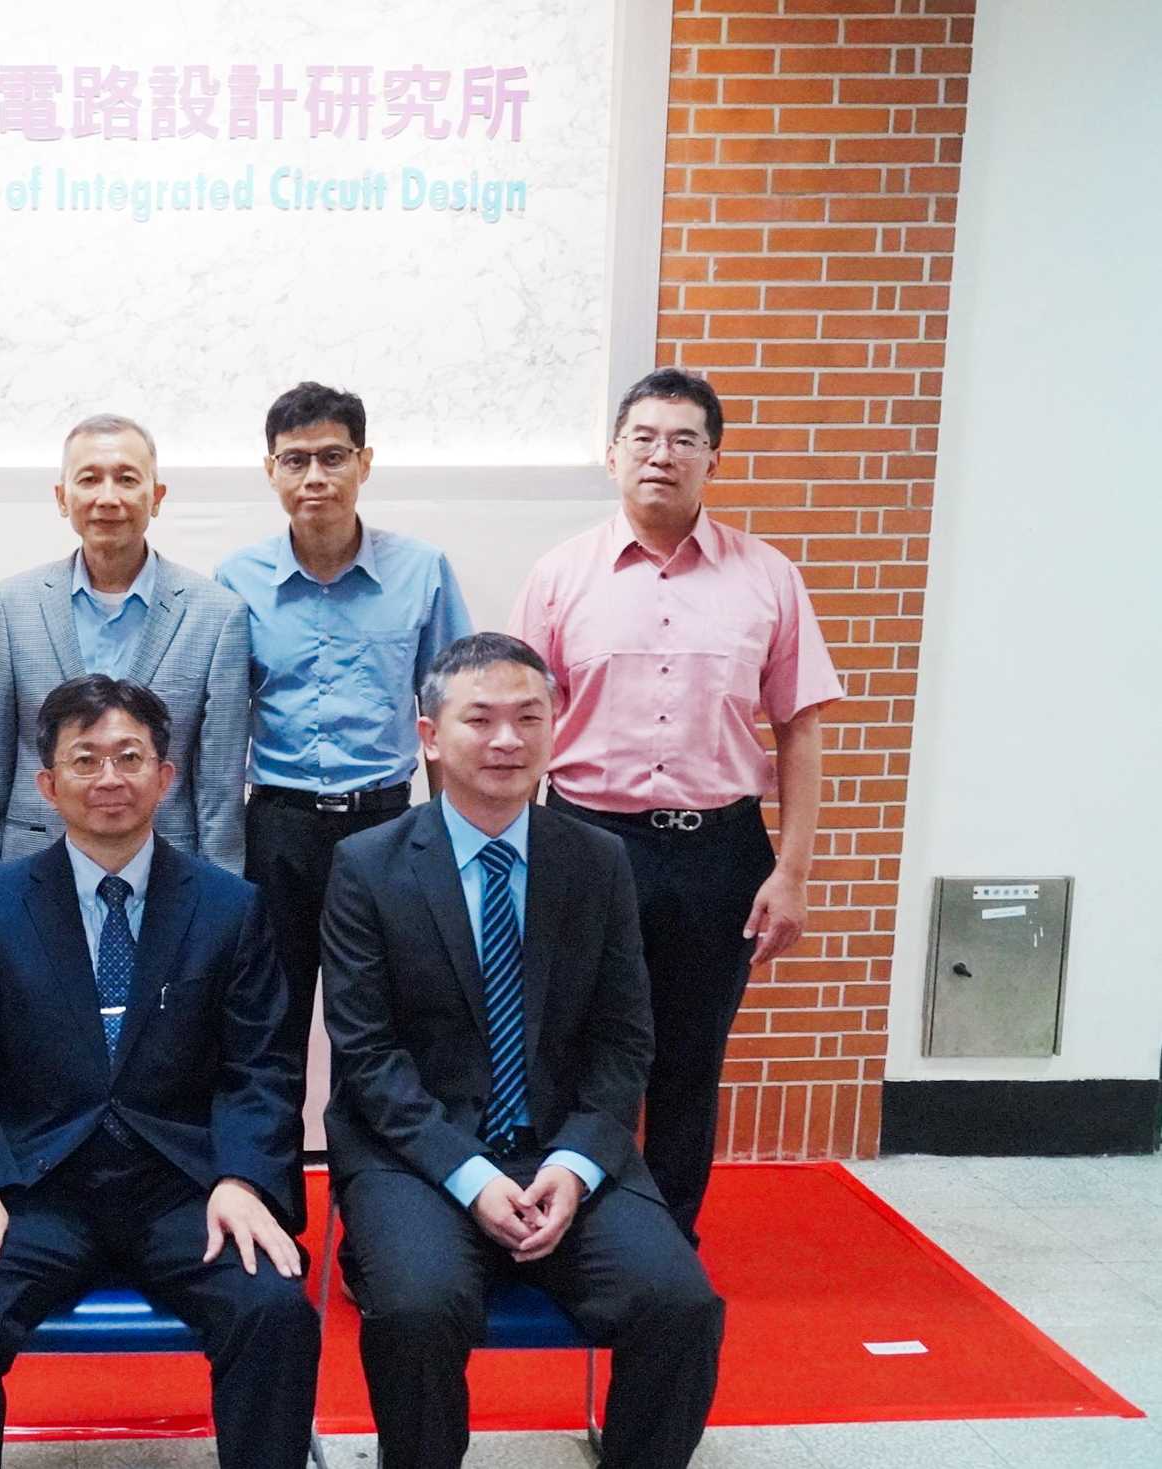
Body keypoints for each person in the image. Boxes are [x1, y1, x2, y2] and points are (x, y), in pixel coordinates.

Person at [322, 633, 724, 1469]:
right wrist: (471, 1176)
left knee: (681, 1303)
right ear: (431, 736)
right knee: (417, 1308)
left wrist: (575, 1166)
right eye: (480, 719)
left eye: (528, 718)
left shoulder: (597, 860)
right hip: (418, 1153)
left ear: (555, 728)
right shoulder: (367, 865)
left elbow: (625, 1037)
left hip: (562, 1145)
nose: (506, 740)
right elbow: (367, 1055)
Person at [0, 675, 321, 1469]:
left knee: (273, 1306)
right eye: (85, 758)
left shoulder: (228, 905)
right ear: (47, 784)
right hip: (39, 1183)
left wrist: (242, 1177)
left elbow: (262, 1065)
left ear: (165, 777)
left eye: (130, 757)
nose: (109, 777)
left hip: (184, 1185)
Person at [508, 367, 844, 1244]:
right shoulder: (558, 576)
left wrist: (792, 871)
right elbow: (518, 723)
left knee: (689, 1057)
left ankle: (665, 1239)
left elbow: (800, 729)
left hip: (717, 851)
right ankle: (570, 1231)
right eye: (645, 438)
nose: (662, 455)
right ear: (612, 454)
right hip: (583, 839)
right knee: (569, 1046)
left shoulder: (769, 578)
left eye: (685, 439)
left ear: (713, 460)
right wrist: (512, 855)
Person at [215, 381, 472, 1066]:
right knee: (269, 1029)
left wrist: (452, 838)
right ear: (270, 470)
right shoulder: (235, 580)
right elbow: (220, 727)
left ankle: (377, 1145)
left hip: (385, 828)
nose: (315, 477)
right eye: (295, 460)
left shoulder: (422, 571)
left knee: (381, 1028)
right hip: (277, 831)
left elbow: (449, 717)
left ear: (365, 462)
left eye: (333, 457)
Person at [0, 413, 249, 876]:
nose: (108, 498)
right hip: (33, 861)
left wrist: (222, 897)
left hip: (167, 868)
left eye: (127, 479)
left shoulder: (217, 614)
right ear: (62, 498)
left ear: (157, 497)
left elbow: (220, 788)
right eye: (89, 479)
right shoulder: (13, 605)